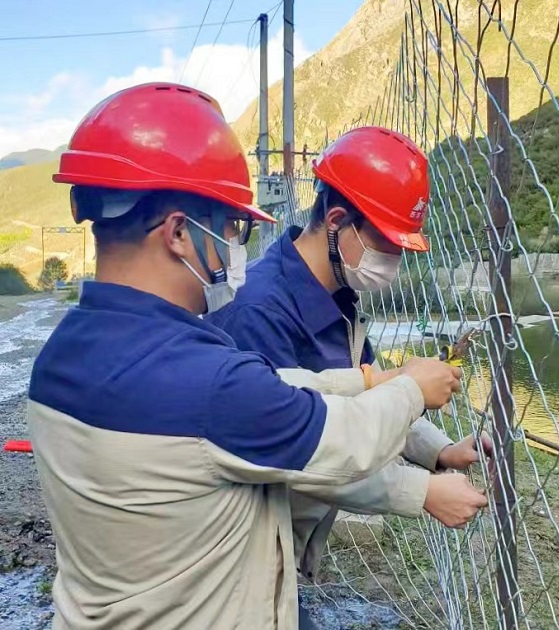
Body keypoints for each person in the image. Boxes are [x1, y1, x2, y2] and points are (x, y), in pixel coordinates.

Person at [26, 83, 464, 630]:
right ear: (179, 233)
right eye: (233, 228)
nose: (238, 248)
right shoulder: (208, 381)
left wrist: (372, 382)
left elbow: (270, 391)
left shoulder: (61, 356)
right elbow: (339, 440)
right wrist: (411, 390)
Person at [207, 126, 492, 625]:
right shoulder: (259, 312)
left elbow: (372, 390)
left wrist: (439, 451)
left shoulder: (339, 294)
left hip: (287, 538)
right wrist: (422, 492)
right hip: (248, 550)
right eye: (387, 244)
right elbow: (295, 448)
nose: (394, 263)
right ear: (338, 221)